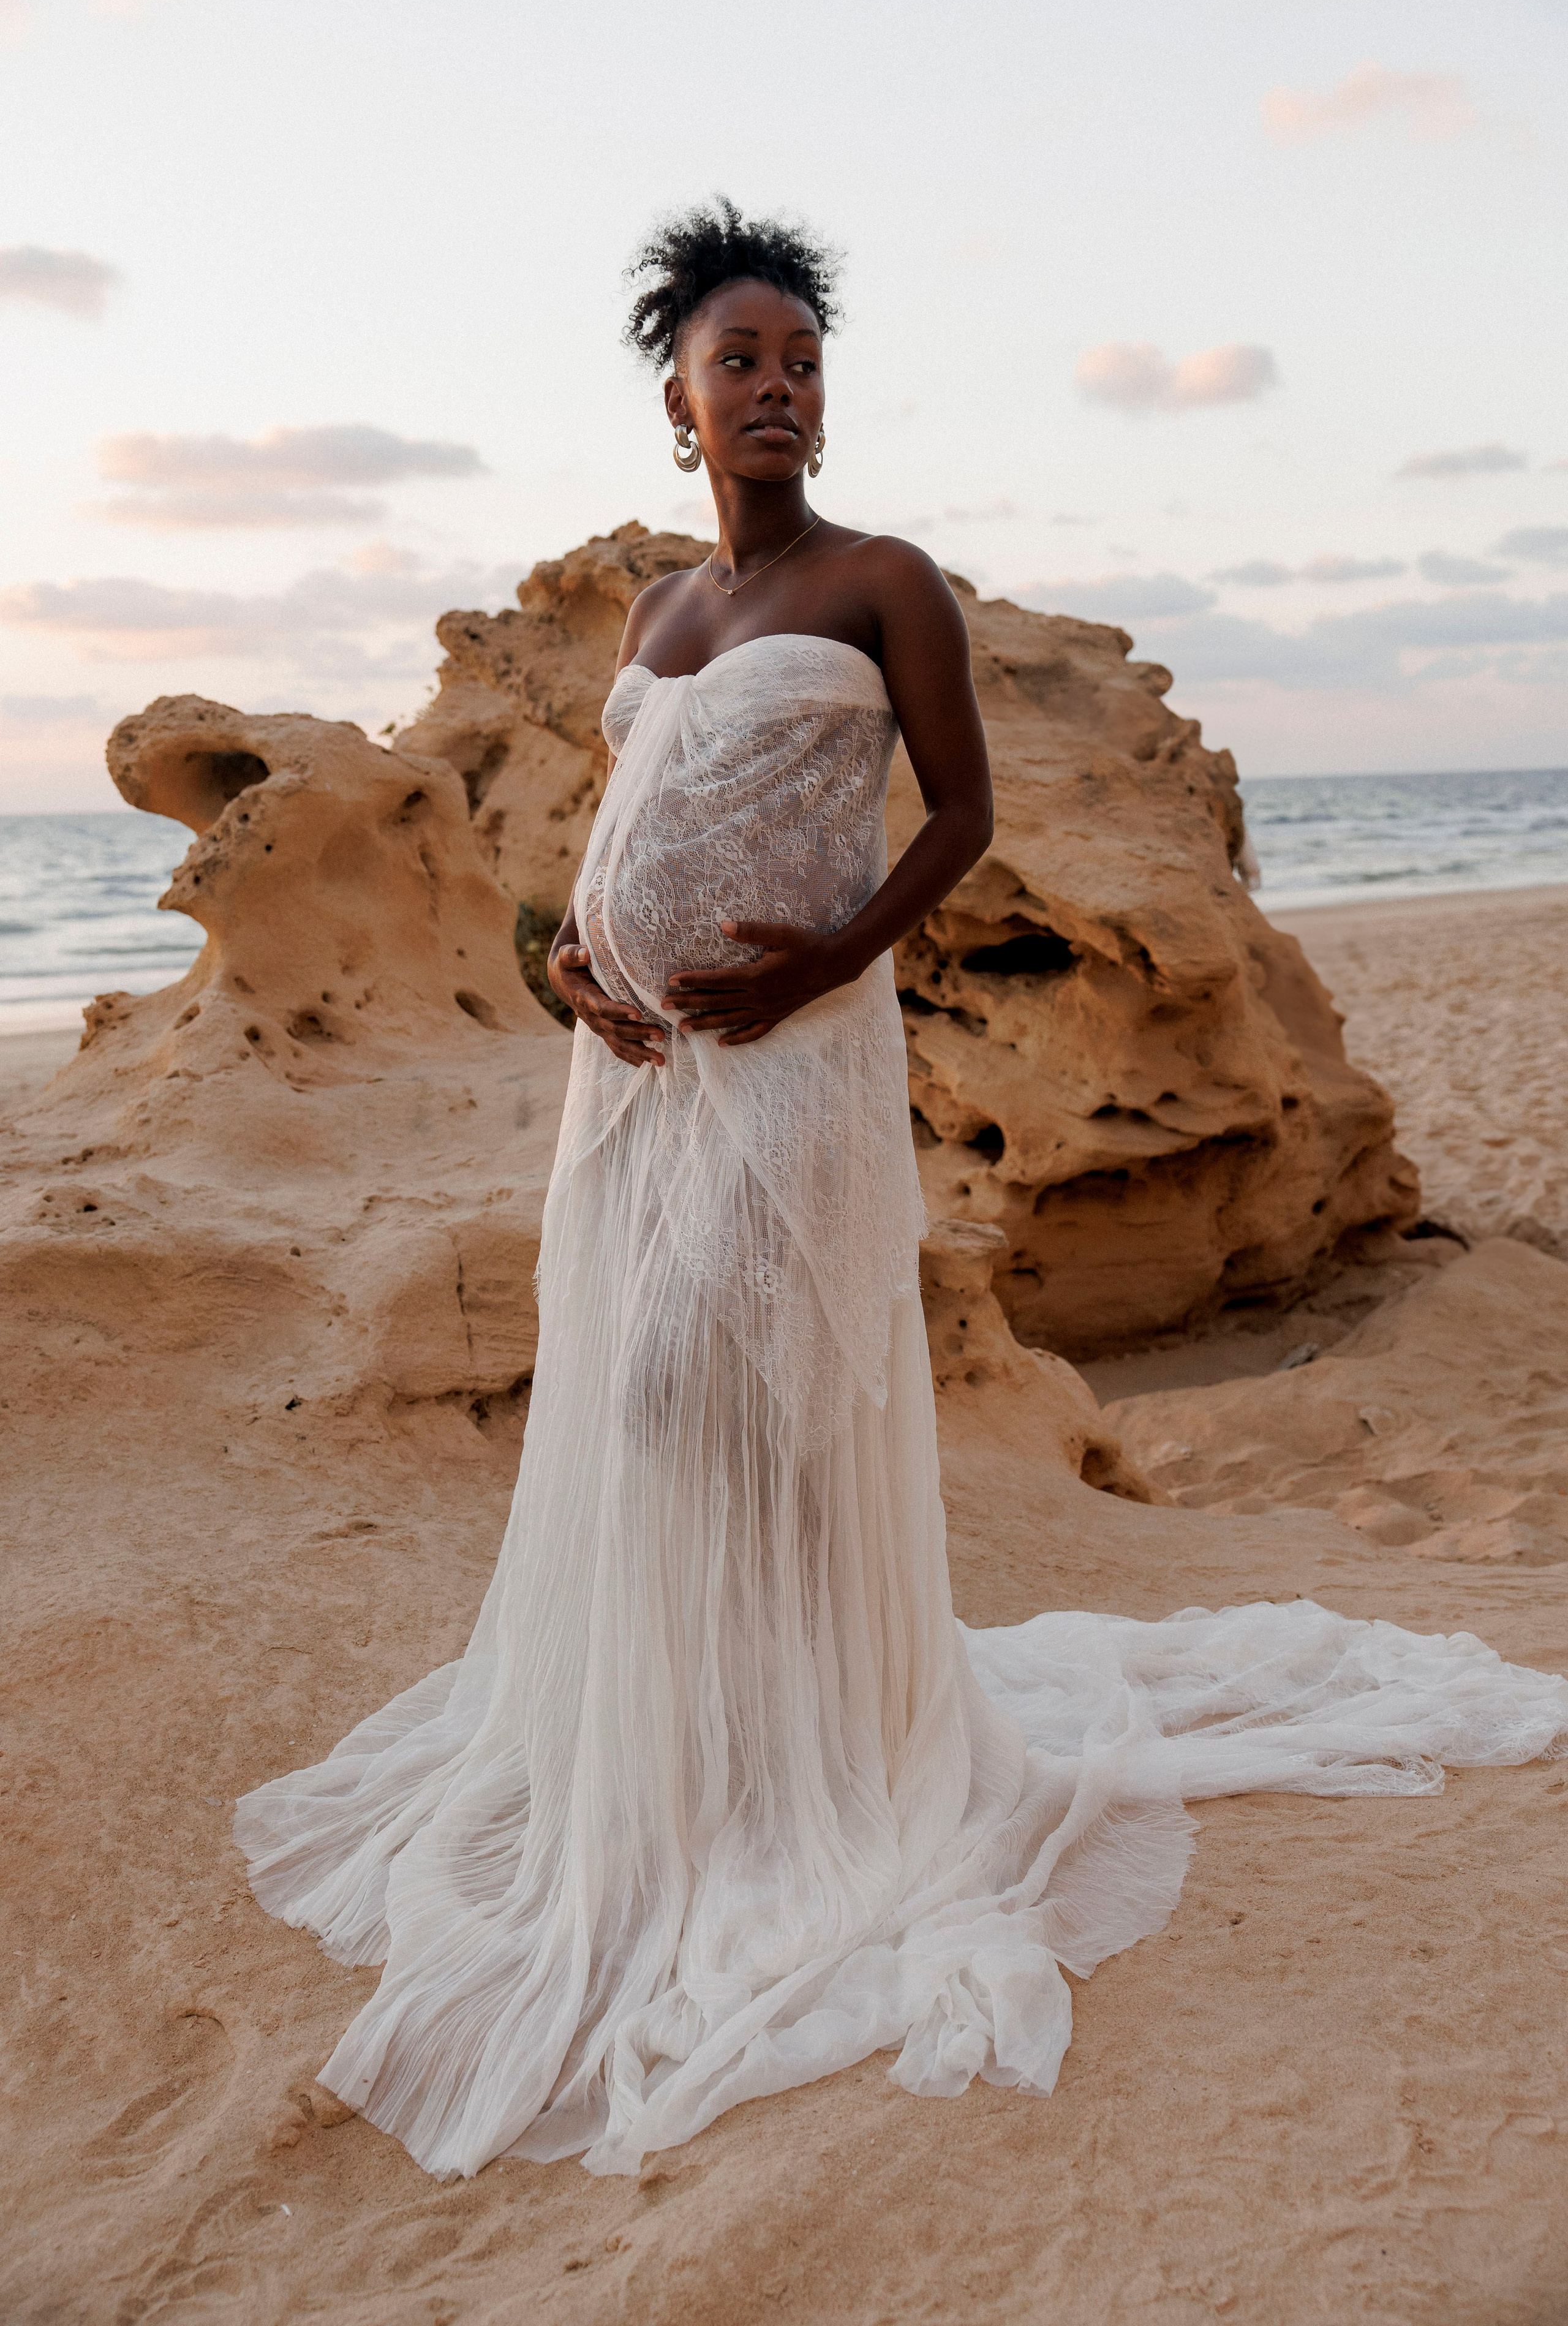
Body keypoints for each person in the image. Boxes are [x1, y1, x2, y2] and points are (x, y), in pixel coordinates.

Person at [236, 200, 1568, 2181]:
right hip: (636, 1077)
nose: (777, 387)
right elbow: (621, 827)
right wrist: (572, 961)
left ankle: (803, 1764)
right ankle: (701, 1748)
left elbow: (963, 815)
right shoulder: (655, 615)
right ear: (678, 400)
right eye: (740, 361)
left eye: (802, 361)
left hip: (795, 1059)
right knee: (637, 1382)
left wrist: (824, 961)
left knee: (718, 1380)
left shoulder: (885, 582)